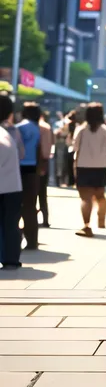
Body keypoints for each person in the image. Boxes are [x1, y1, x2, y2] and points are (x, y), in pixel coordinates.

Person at [73, 102, 106, 237]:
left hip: (83, 166)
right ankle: (101, 221)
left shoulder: (81, 130)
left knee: (86, 198)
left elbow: (75, 148)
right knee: (101, 196)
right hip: (101, 167)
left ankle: (87, 225)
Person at [0, 94, 23, 269]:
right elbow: (21, 154)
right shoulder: (13, 131)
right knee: (11, 224)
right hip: (13, 185)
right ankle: (11, 259)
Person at [17, 102, 42, 250]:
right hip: (33, 169)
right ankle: (33, 241)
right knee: (31, 207)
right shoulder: (37, 129)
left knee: (15, 207)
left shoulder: (20, 127)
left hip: (19, 168)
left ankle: (16, 239)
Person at [37, 110, 53, 228]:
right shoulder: (47, 128)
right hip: (44, 163)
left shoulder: (30, 127)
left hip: (32, 163)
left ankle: (30, 218)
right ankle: (45, 219)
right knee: (43, 194)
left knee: (29, 195)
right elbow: (50, 145)